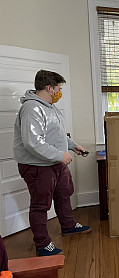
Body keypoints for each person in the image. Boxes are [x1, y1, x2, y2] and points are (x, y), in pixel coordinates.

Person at [13, 70, 91, 256]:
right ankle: (42, 244)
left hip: (55, 162)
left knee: (64, 193)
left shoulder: (50, 107)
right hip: (38, 166)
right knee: (40, 205)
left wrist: (72, 146)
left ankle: (68, 226)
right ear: (49, 87)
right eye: (58, 88)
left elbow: (57, 134)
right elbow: (32, 141)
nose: (59, 92)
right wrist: (59, 155)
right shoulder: (32, 108)